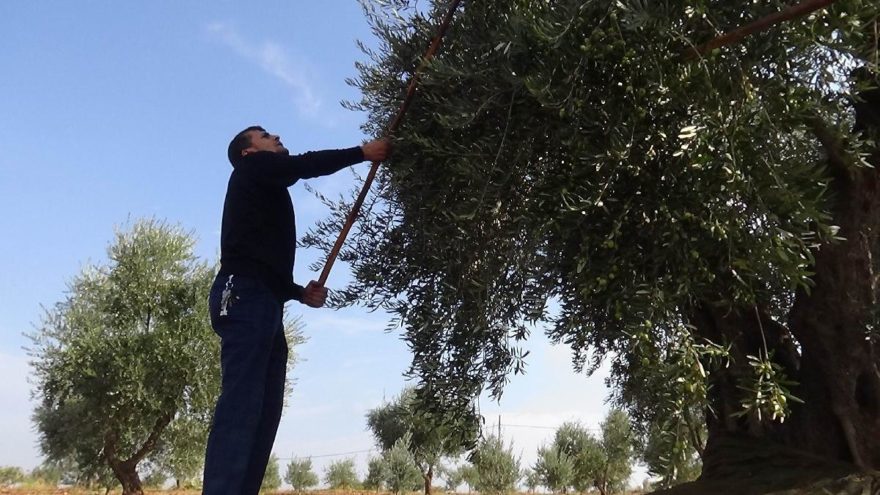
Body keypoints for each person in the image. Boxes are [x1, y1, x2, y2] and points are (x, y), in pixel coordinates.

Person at [203, 126, 391, 494]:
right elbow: (306, 165)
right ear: (248, 151)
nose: (276, 136)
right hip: (242, 296)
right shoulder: (251, 169)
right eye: (265, 135)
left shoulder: (265, 185)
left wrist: (298, 293)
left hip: (264, 301)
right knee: (242, 407)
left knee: (264, 413)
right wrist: (362, 153)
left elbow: (260, 257)